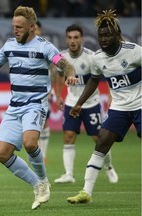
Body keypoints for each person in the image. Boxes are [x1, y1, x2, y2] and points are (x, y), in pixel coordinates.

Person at [0, 6, 77, 209]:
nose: (15, 30)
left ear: (32, 27)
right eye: (13, 26)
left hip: (35, 104)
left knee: (29, 143)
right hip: (15, 106)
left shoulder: (44, 47)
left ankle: (43, 181)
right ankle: (36, 184)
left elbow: (64, 64)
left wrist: (70, 73)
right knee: (1, 153)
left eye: (19, 27)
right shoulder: (9, 45)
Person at [67, 9, 141, 204]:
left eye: (108, 35)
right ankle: (86, 192)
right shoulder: (98, 58)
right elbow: (94, 80)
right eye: (101, 36)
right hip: (119, 108)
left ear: (117, 34)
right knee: (101, 142)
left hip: (140, 105)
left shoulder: (135, 51)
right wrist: (79, 104)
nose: (104, 39)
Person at [53, 24, 118, 184]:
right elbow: (60, 76)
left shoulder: (92, 57)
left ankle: (109, 167)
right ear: (66, 39)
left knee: (100, 139)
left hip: (91, 104)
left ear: (81, 38)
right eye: (69, 37)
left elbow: (107, 76)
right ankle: (68, 174)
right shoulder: (62, 58)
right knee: (68, 136)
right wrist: (59, 95)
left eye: (76, 37)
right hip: (70, 102)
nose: (72, 41)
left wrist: (110, 95)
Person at [35, 20, 53, 164]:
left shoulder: (45, 47)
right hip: (27, 93)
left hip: (43, 92)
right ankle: (36, 152)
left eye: (37, 29)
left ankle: (43, 154)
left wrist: (51, 90)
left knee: (44, 122)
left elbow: (53, 69)